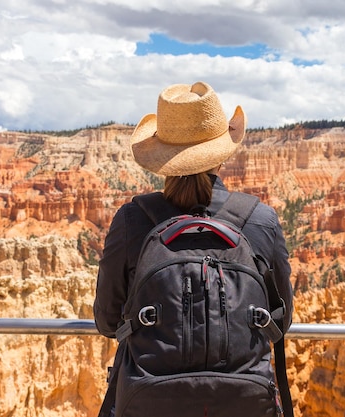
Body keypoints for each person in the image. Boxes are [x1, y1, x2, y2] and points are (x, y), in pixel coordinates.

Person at [93, 81, 294, 417]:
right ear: (221, 153)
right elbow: (280, 319)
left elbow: (108, 320)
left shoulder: (131, 221)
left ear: (162, 158)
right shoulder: (259, 219)